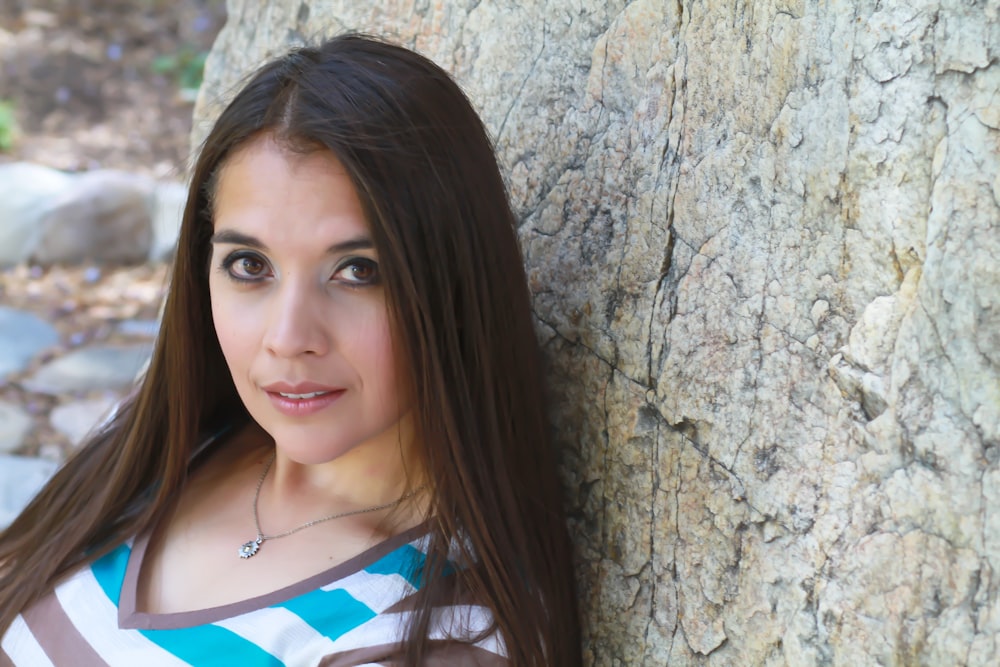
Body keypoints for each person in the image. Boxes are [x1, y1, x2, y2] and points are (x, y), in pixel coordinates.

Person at [0, 33, 581, 666]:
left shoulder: (428, 634)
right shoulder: (170, 436)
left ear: (453, 285)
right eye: (250, 265)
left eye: (359, 271)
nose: (287, 338)